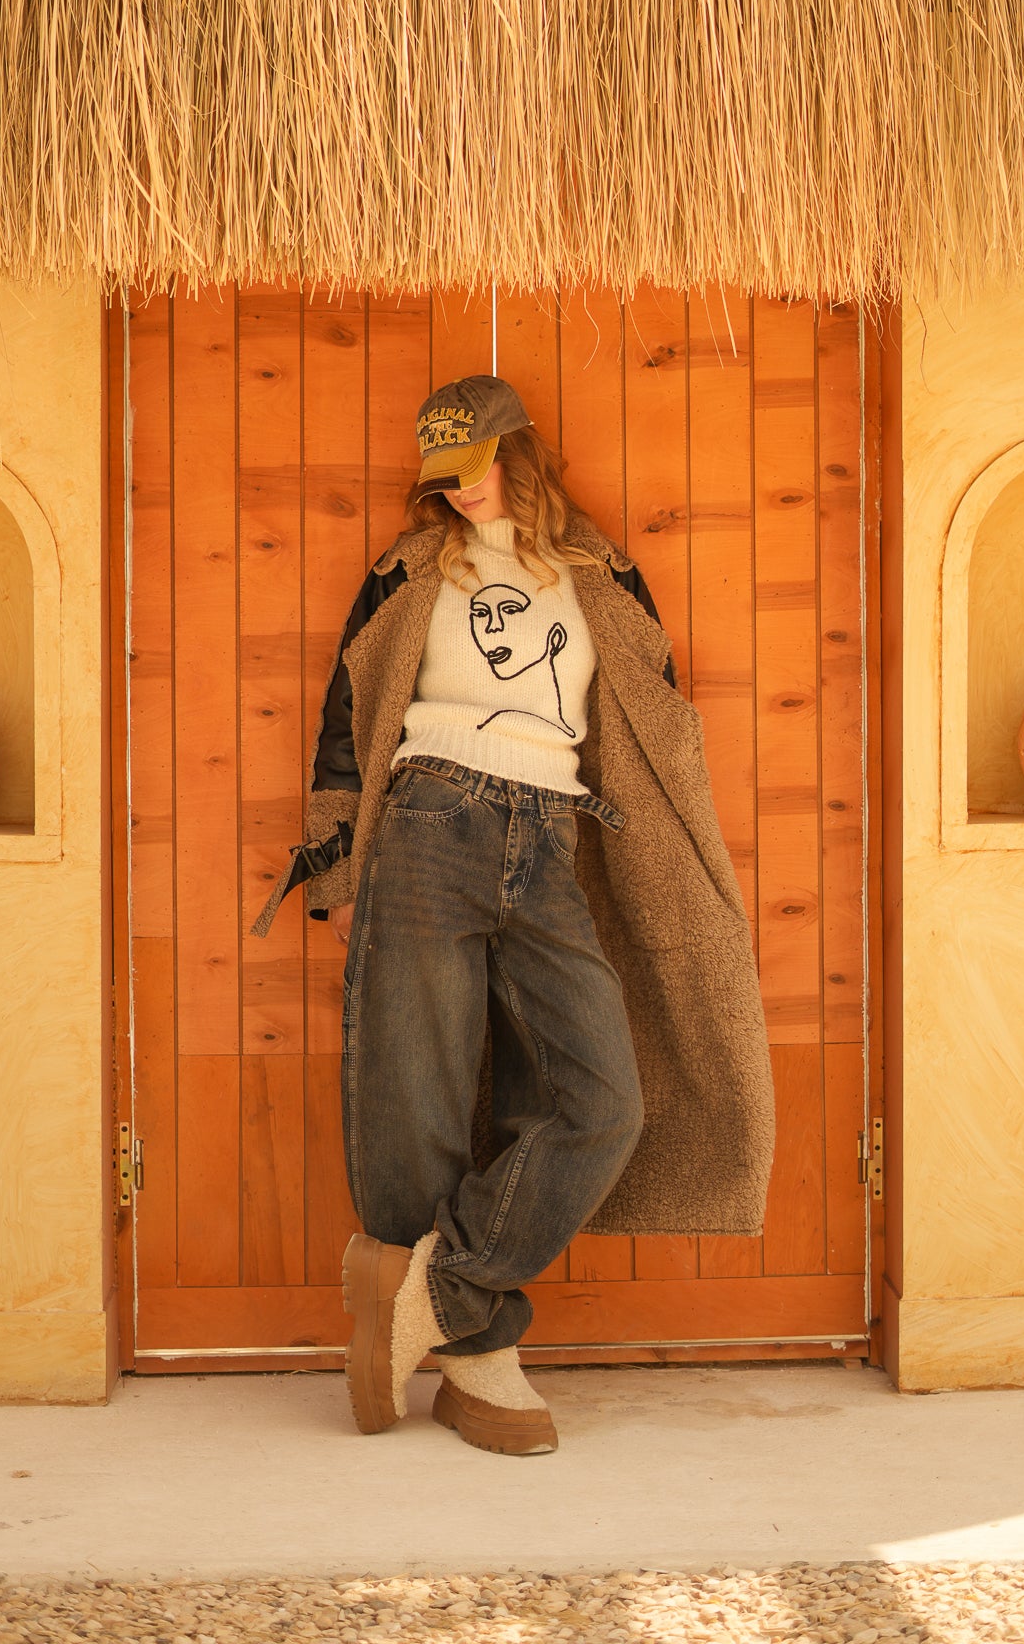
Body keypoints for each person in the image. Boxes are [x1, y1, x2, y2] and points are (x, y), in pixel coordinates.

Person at [254, 374, 774, 1457]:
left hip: (552, 838)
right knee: (417, 1097)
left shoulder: (600, 571)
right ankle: (479, 1355)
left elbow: (653, 716)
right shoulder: (408, 568)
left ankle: (432, 1294)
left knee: (603, 1102)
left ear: (519, 453)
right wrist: (339, 868)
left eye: (476, 469)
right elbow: (347, 721)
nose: (460, 492)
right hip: (428, 818)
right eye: (442, 478)